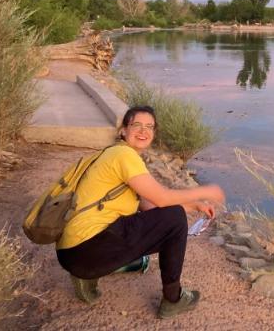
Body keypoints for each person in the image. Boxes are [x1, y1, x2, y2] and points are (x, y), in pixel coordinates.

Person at [55, 105, 225, 319]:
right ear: (124, 130)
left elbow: (151, 207)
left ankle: (88, 276)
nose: (143, 131)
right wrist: (204, 190)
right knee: (174, 219)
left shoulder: (112, 154)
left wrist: (195, 205)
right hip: (87, 251)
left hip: (73, 253)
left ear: (154, 133)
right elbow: (162, 198)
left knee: (166, 219)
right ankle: (173, 299)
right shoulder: (124, 155)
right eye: (137, 125)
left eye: (150, 127)